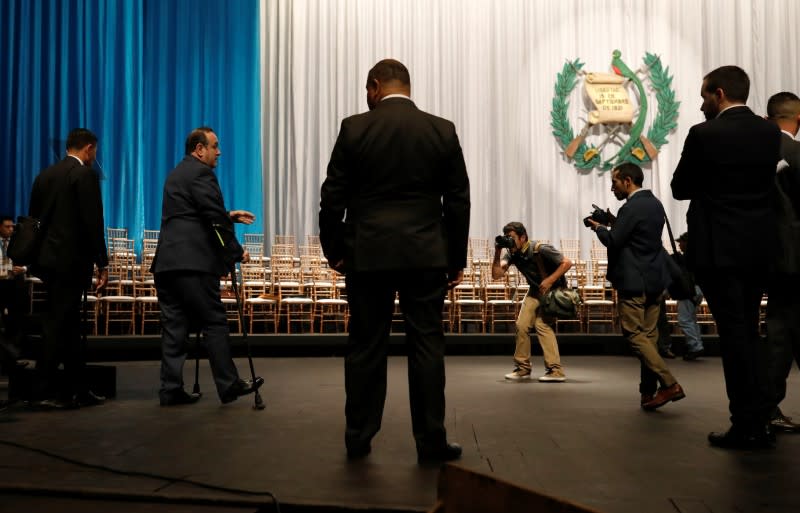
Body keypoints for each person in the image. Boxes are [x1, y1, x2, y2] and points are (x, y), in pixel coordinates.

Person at [319, 59, 470, 463]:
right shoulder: (442, 130)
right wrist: (455, 258)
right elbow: (458, 201)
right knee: (426, 346)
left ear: (374, 86)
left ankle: (358, 436)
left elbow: (332, 197)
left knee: (366, 345)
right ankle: (431, 442)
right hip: (425, 256)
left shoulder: (354, 129)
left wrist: (334, 250)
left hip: (368, 255)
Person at [671, 65, 781, 449]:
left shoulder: (704, 134)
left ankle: (745, 424)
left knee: (734, 337)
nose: (702, 104)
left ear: (718, 94)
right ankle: (763, 416)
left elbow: (680, 187)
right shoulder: (770, 132)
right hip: (758, 249)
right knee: (750, 333)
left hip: (718, 250)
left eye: (704, 96)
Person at [151, 127, 263, 407]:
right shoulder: (202, 173)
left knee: (175, 328)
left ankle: (171, 389)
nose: (219, 152)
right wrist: (236, 252)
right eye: (215, 146)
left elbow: (190, 214)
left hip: (167, 263)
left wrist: (229, 215)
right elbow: (212, 218)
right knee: (213, 321)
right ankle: (228, 384)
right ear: (199, 149)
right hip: (194, 264)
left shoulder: (176, 173)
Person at [587, 163, 685, 410]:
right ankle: (648, 392)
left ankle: (670, 383)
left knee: (634, 334)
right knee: (649, 338)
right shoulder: (654, 203)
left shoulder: (631, 206)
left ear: (628, 181)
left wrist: (598, 227)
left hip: (634, 282)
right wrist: (612, 220)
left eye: (615, 182)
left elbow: (614, 240)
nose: (613, 188)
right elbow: (638, 236)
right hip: (655, 281)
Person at [27, 128, 109, 409]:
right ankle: (42, 391)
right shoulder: (84, 175)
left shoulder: (44, 176)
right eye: (95, 151)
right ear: (88, 149)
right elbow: (92, 222)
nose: (95, 156)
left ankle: (78, 387)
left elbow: (34, 220)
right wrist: (103, 263)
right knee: (56, 324)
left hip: (48, 262)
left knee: (70, 325)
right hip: (71, 263)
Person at [492, 222, 570, 382]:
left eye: (512, 238)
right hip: (535, 291)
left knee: (542, 325)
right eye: (507, 237)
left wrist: (550, 280)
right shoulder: (512, 254)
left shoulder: (540, 248)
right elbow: (497, 275)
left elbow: (567, 263)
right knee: (521, 326)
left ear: (523, 237)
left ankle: (556, 371)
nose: (510, 241)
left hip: (554, 290)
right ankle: (523, 368)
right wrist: (497, 251)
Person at [765, 91, 800, 434]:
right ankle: (767, 405)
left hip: (768, 255)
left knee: (780, 330)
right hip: (796, 257)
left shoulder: (754, 153)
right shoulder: (796, 153)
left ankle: (767, 405)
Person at [0, 215, 31, 373]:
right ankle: (8, 357)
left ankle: (13, 359)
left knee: (15, 322)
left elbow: (32, 260)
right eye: (7, 226)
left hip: (13, 284)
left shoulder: (19, 242)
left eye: (12, 226)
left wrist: (24, 269)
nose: (11, 229)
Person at [674, 233, 705, 361]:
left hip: (689, 290)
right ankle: (697, 344)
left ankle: (694, 346)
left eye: (681, 242)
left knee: (685, 320)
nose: (679, 244)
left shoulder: (689, 257)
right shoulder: (697, 256)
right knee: (691, 319)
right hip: (696, 290)